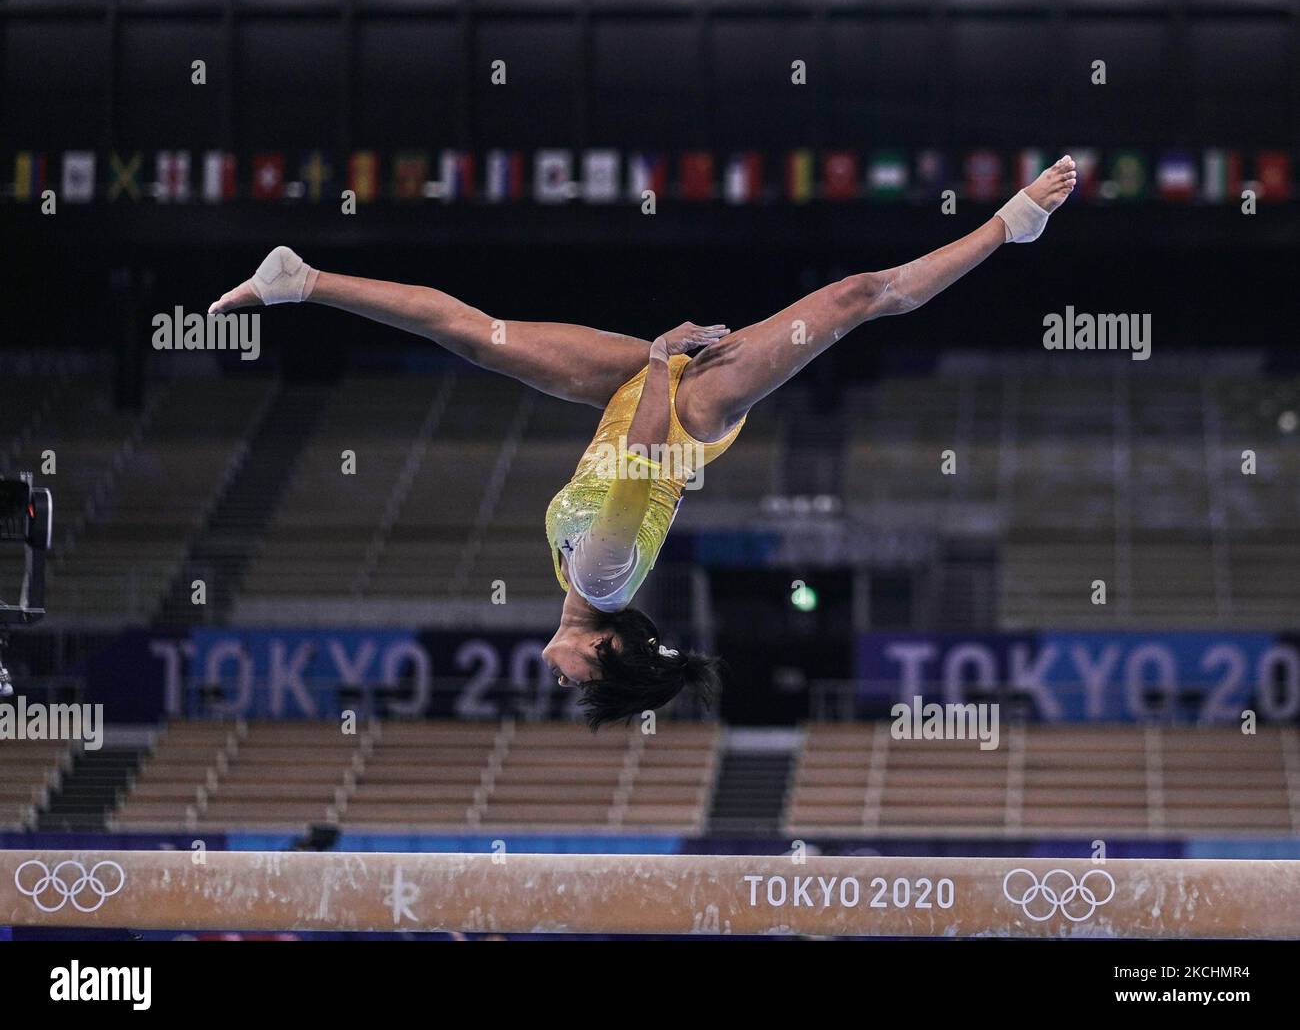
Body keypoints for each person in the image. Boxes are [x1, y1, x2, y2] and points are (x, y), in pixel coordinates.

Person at [209, 156, 1077, 728]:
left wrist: (649, 372)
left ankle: (303, 279)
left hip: (636, 397)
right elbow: (645, 466)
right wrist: (663, 363)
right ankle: (1011, 225)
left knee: (477, 335)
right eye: (586, 682)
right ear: (609, 648)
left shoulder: (576, 579)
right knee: (859, 297)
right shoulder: (603, 577)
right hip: (683, 413)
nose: (566, 683)